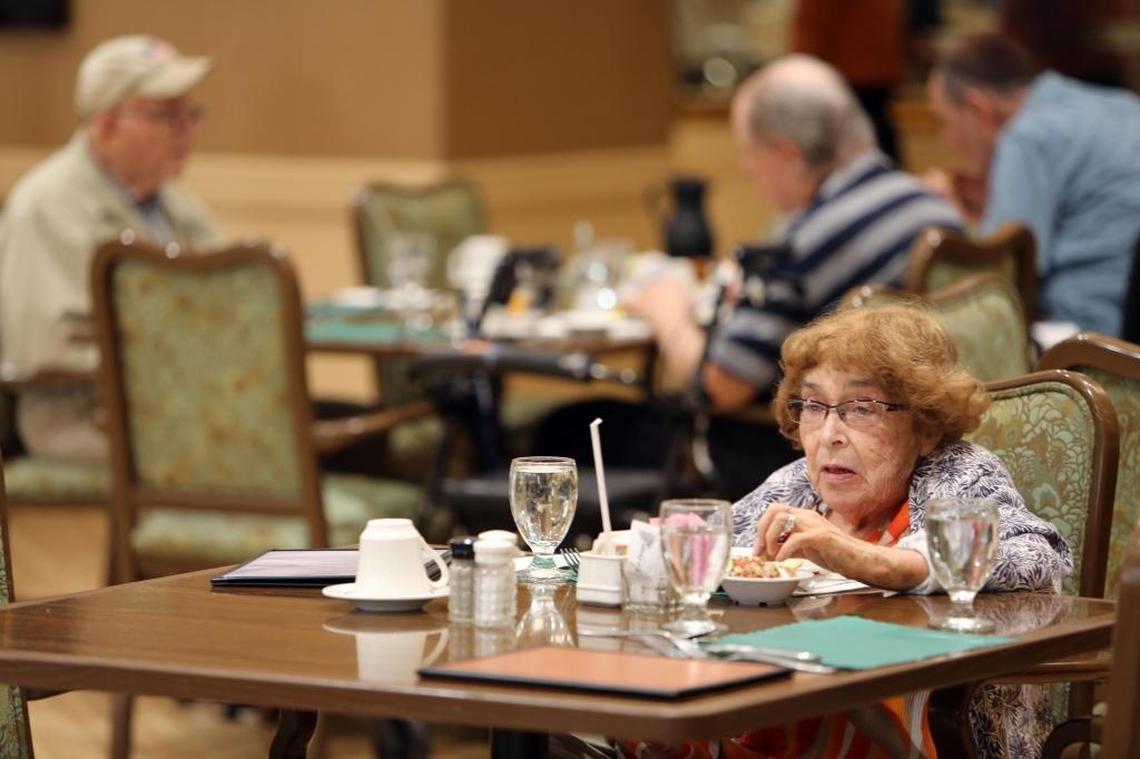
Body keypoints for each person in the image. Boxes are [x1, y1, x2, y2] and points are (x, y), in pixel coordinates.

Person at [621, 306, 1072, 758]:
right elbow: (707, 561)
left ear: (925, 426)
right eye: (814, 406)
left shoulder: (955, 472)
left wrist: (860, 557)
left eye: (862, 408)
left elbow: (1037, 556)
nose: (829, 434)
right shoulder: (797, 483)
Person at [625, 55, 960, 496]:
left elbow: (721, 386)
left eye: (748, 151)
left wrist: (665, 310)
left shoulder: (804, 243)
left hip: (806, 456)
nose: (747, 168)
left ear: (786, 152)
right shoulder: (933, 208)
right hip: (927, 443)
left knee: (569, 428)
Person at [0, 35, 220, 461]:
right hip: (84, 422)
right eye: (166, 116)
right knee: (260, 460)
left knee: (321, 432)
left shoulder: (175, 204)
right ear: (105, 124)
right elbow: (46, 352)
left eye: (189, 115)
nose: (185, 132)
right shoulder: (47, 206)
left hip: (181, 411)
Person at [925, 33, 1140, 337]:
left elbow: (1003, 278)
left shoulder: (1026, 137)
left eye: (944, 121)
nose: (947, 140)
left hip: (1091, 334)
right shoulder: (1118, 103)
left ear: (977, 109)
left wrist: (947, 214)